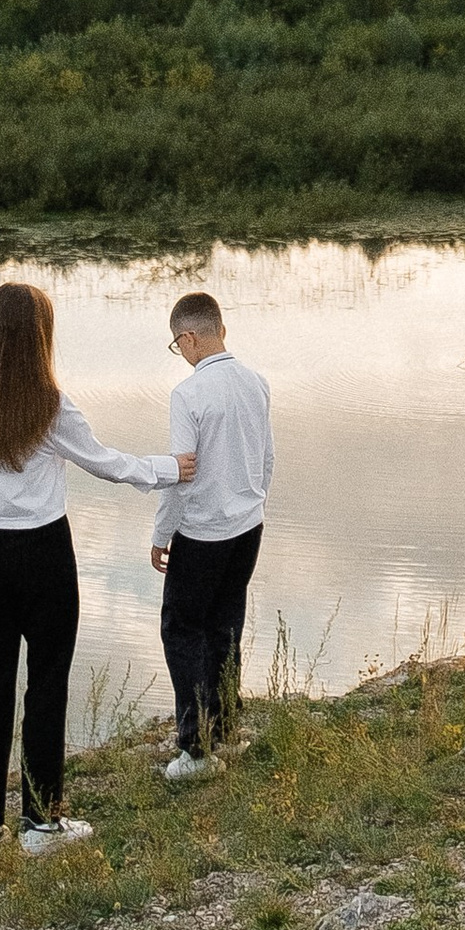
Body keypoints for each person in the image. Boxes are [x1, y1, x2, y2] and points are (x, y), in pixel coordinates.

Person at [0, 281, 194, 859]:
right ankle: (41, 825)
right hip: (45, 556)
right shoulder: (49, 404)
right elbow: (106, 463)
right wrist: (169, 468)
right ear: (40, 336)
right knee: (47, 685)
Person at [149, 290, 273, 783]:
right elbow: (266, 459)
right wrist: (252, 502)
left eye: (178, 345)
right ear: (222, 329)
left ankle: (195, 750)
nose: (181, 353)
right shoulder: (256, 382)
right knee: (226, 624)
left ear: (189, 337)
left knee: (182, 631)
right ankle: (225, 729)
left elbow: (182, 474)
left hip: (203, 533)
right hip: (248, 526)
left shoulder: (189, 394)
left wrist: (161, 534)